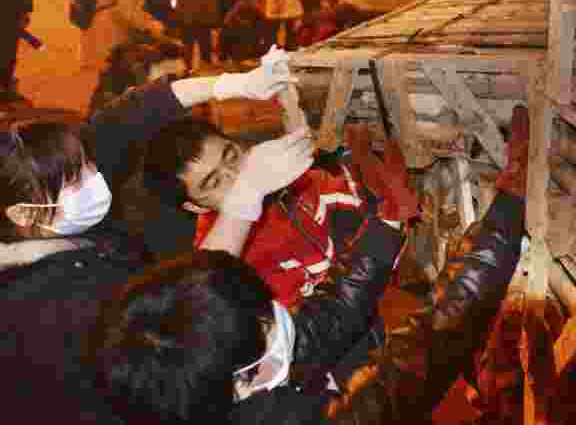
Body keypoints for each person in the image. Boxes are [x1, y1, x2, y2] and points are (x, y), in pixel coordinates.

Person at [91, 104, 530, 424]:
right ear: (241, 372)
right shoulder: (305, 418)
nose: (283, 316)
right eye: (266, 319)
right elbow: (426, 350)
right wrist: (506, 215)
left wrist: (387, 224)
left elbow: (329, 315)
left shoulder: (213, 366)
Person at [0, 58, 315, 425]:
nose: (95, 176)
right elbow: (188, 308)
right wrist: (244, 197)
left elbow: (129, 117)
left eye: (88, 164)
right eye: (75, 181)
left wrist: (234, 85)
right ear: (22, 214)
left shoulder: (52, 206)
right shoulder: (54, 305)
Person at [142, 118, 417, 309]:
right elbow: (325, 322)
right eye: (214, 182)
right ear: (195, 206)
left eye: (231, 156)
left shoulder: (297, 176)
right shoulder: (228, 270)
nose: (236, 177)